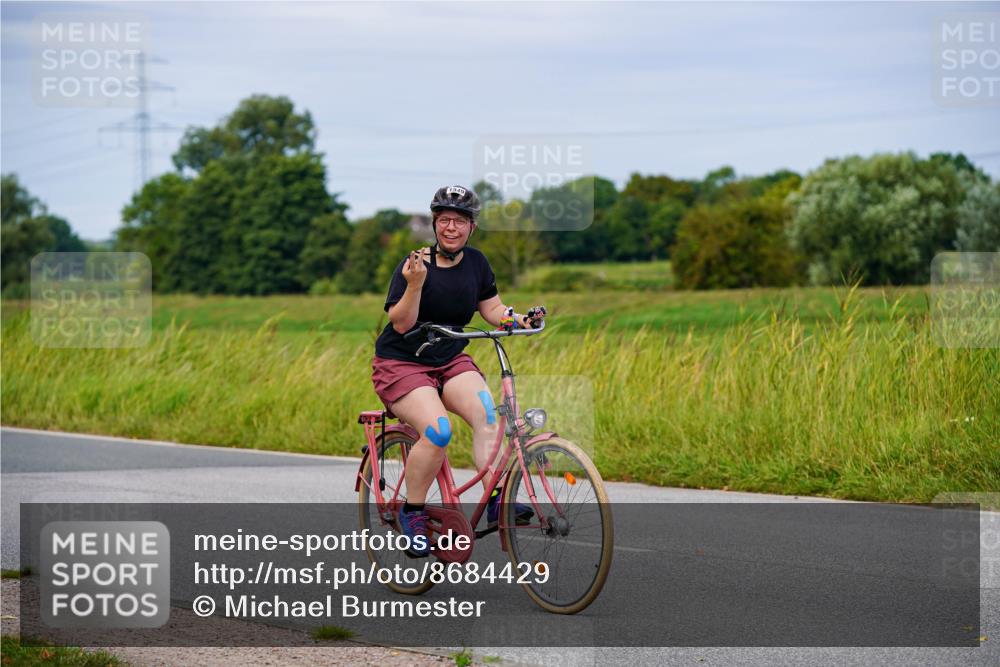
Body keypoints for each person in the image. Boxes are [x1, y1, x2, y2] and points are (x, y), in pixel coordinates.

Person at [370, 185, 546, 556]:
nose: (452, 228)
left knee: (488, 418)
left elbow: (492, 309)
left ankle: (497, 500)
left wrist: (518, 318)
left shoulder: (477, 263)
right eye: (445, 220)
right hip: (403, 361)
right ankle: (413, 513)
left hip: (449, 356)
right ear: (435, 225)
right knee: (438, 431)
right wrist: (415, 285)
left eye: (460, 221)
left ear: (472, 227)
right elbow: (400, 323)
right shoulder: (414, 263)